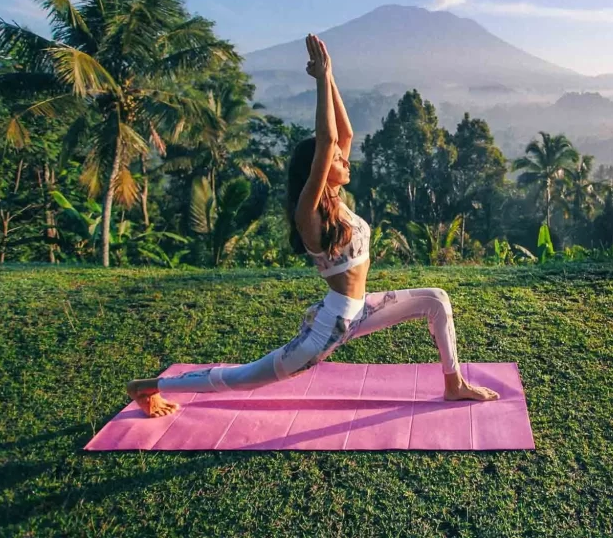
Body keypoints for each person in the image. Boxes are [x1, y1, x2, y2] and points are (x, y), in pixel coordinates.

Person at [126, 34, 499, 417]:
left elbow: (343, 135)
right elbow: (327, 140)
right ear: (318, 169)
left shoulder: (335, 198)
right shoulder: (310, 212)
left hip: (359, 310)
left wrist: (331, 76)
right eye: (337, 160)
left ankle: (454, 384)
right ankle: (148, 386)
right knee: (246, 377)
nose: (345, 160)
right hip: (328, 327)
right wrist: (320, 80)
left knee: (436, 298)